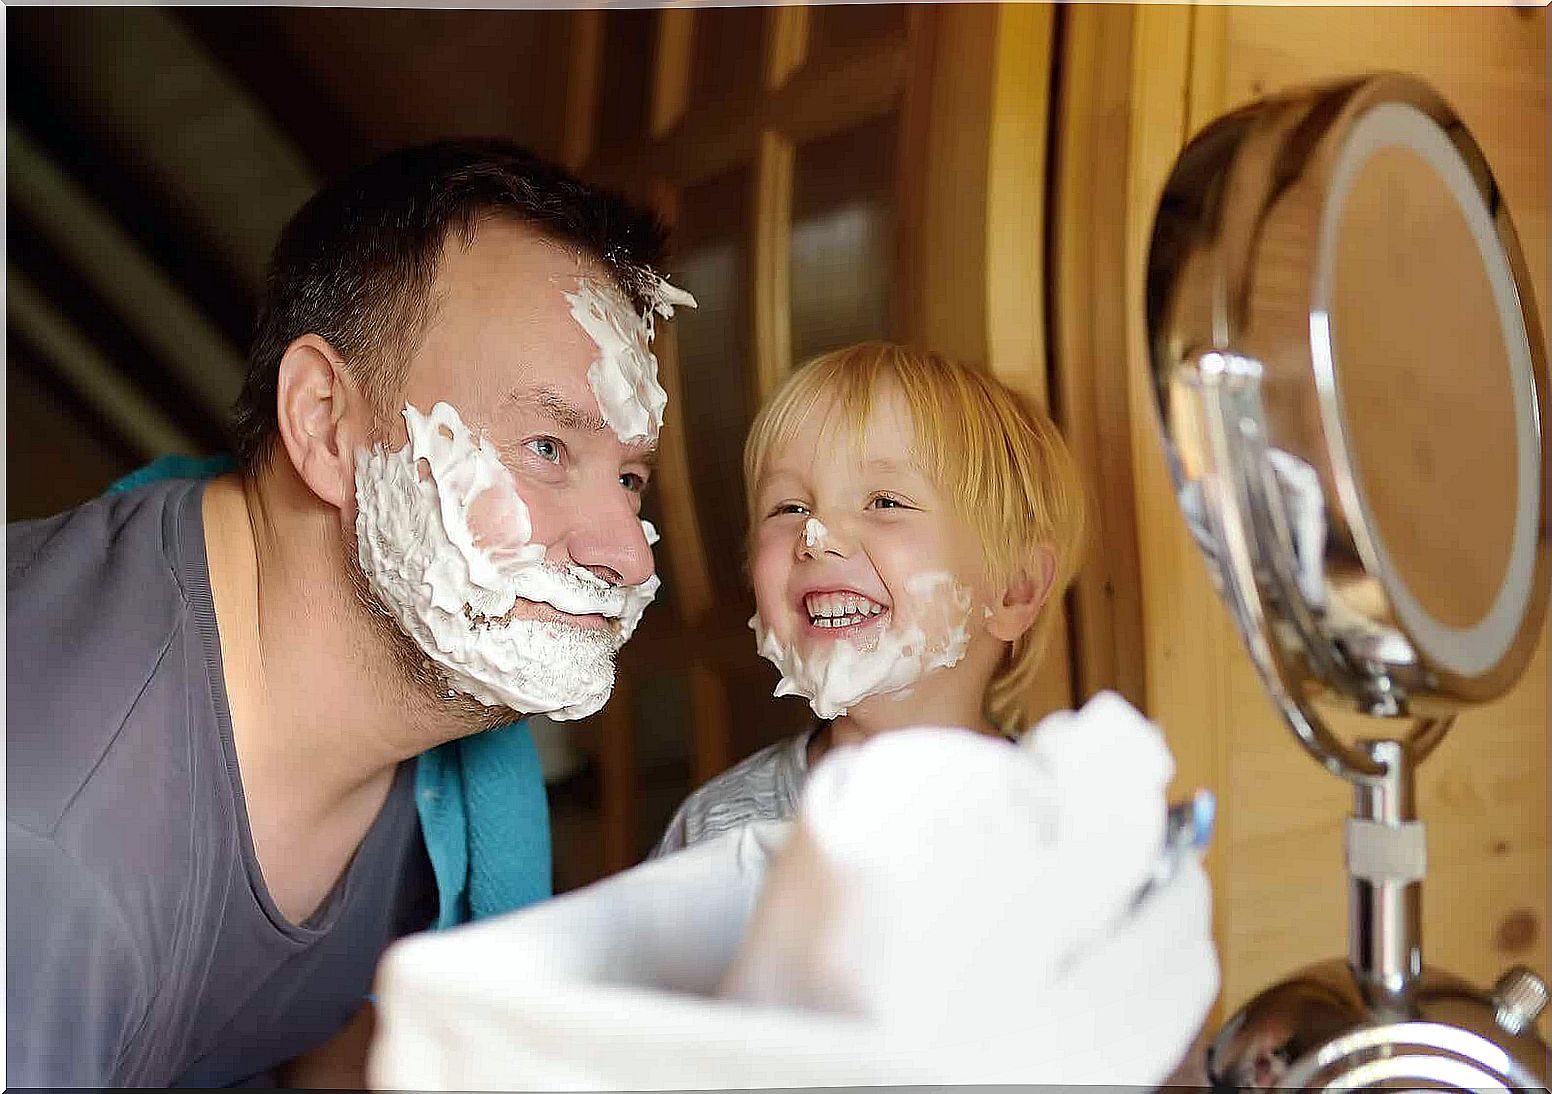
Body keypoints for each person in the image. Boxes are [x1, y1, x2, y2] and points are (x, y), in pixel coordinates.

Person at [7, 139, 692, 1087]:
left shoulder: (424, 752)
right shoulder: (45, 865)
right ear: (326, 423)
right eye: (545, 445)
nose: (627, 551)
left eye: (628, 477)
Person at [652, 342, 1086, 857]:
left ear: (1015, 588)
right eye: (789, 506)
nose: (818, 535)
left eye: (885, 501)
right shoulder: (716, 830)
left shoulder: (1059, 829)